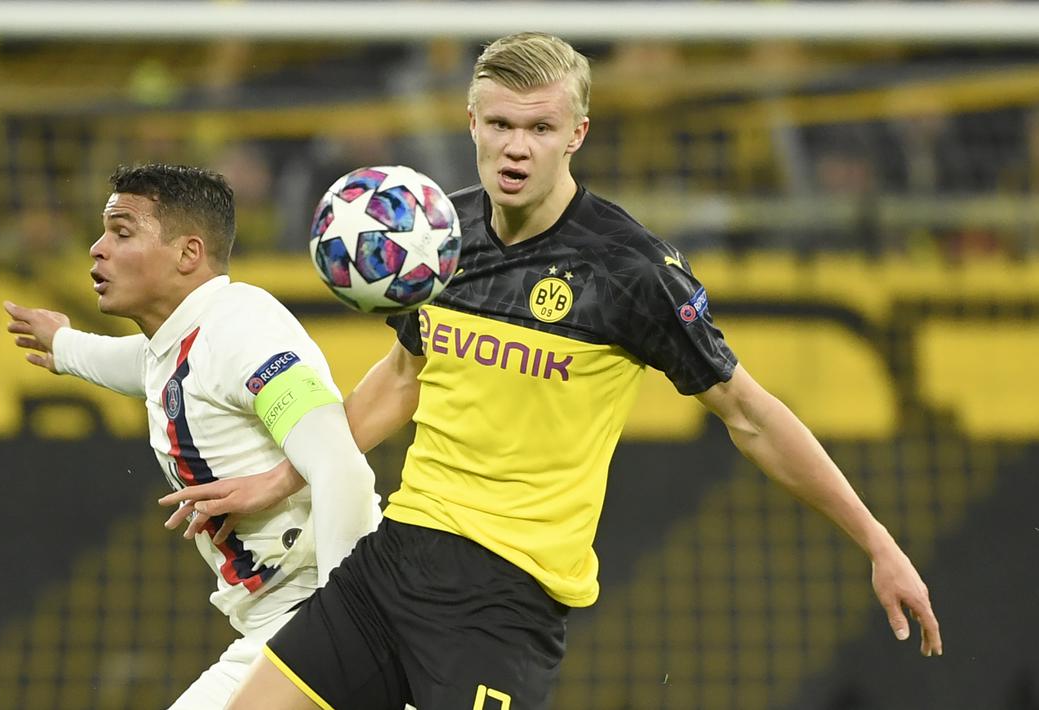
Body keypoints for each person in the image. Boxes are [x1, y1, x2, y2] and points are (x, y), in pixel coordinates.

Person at [195, 32, 943, 710]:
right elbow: (399, 378)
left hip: (504, 605)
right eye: (500, 125)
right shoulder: (434, 241)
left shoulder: (629, 270)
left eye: (539, 128)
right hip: (392, 565)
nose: (516, 147)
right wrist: (282, 475)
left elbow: (750, 415)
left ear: (575, 134)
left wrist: (877, 542)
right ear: (472, 125)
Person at [3, 163, 382, 709]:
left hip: (321, 614)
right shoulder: (184, 343)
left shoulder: (241, 330)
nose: (96, 248)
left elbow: (340, 465)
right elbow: (138, 364)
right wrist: (64, 347)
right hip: (286, 625)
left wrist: (344, 632)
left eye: (122, 232)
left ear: (188, 254)